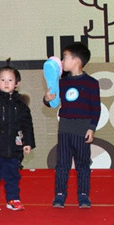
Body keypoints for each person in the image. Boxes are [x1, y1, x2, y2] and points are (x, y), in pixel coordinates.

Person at [43, 42, 101, 209]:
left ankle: (83, 195)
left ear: (77, 61)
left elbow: (96, 108)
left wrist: (92, 128)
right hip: (65, 129)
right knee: (62, 164)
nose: (62, 62)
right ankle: (60, 195)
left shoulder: (91, 83)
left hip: (82, 130)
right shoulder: (62, 82)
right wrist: (47, 99)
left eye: (65, 58)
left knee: (83, 165)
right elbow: (52, 102)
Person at [0, 62, 35, 212]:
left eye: (10, 80)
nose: (6, 83)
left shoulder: (21, 105)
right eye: (2, 80)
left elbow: (27, 125)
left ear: (17, 83)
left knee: (13, 176)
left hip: (14, 149)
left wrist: (28, 142)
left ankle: (13, 199)